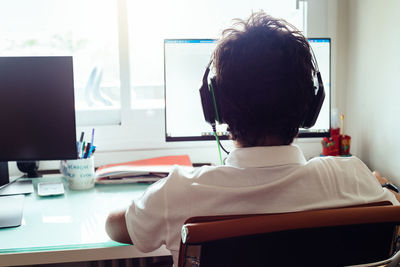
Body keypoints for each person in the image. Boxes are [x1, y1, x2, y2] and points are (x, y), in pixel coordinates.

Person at [105, 11, 400, 265]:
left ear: (214, 106)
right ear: (310, 107)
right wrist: (376, 182)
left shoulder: (179, 193)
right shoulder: (352, 177)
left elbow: (115, 227)